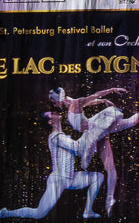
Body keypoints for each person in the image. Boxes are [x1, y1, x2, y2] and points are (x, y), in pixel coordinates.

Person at [0, 111, 104, 220]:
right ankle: (5, 213)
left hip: (71, 178)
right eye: (51, 114)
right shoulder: (55, 137)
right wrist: (88, 129)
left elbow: (79, 151)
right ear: (50, 122)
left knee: (98, 177)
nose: (54, 112)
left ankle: (88, 211)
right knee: (39, 213)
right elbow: (77, 147)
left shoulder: (64, 137)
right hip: (58, 180)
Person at [49, 84, 139, 214]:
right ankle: (109, 200)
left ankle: (109, 199)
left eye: (53, 102)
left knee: (91, 157)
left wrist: (111, 90)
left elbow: (94, 95)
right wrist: (103, 101)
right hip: (97, 132)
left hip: (95, 131)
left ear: (58, 98)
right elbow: (92, 101)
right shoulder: (72, 103)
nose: (54, 105)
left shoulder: (76, 103)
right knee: (110, 165)